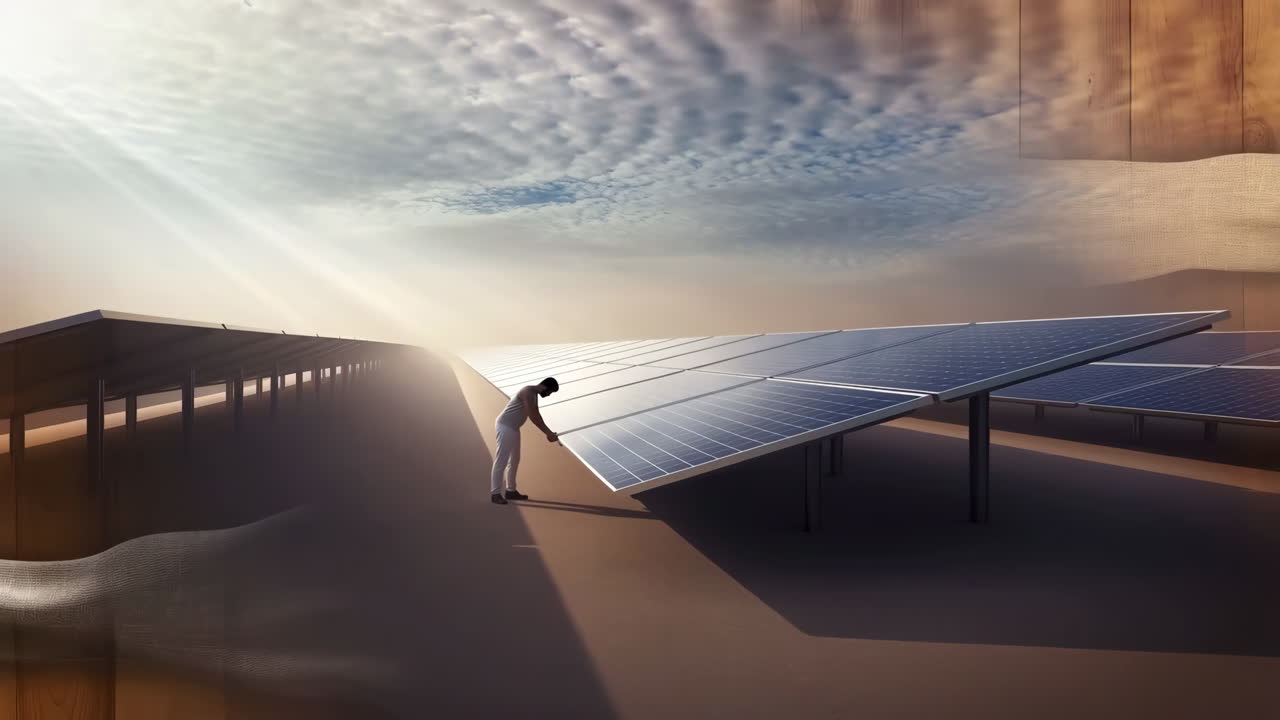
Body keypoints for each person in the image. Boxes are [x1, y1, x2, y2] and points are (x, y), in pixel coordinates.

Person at [490, 377, 559, 504]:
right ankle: (495, 494)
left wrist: (549, 432)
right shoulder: (527, 391)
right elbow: (533, 416)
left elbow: (537, 413)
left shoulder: (534, 394)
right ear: (545, 387)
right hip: (505, 426)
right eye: (550, 392)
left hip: (514, 428)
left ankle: (510, 491)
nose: (549, 395)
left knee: (514, 460)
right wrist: (548, 433)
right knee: (502, 460)